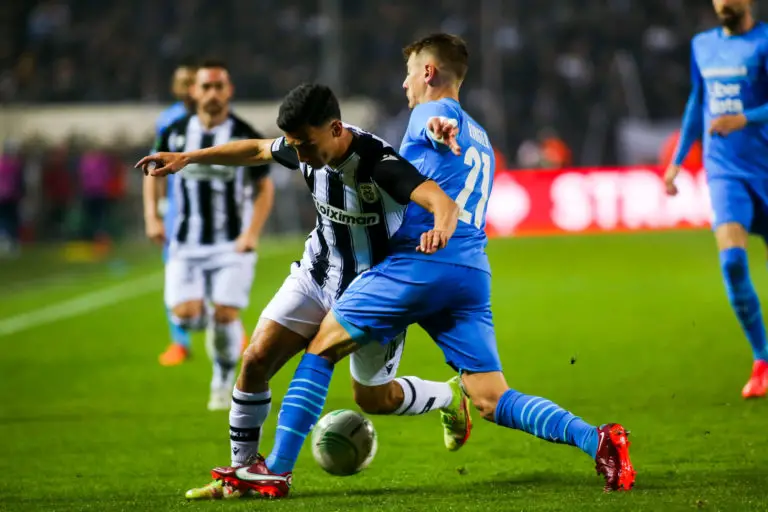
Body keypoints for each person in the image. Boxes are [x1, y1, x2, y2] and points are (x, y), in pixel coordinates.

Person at [198, 33, 636, 498]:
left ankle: (276, 471)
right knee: (491, 397)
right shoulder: (480, 136)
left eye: (409, 73)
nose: (405, 84)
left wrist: (436, 129)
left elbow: (435, 125)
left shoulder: (432, 111)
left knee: (322, 346)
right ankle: (598, 439)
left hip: (421, 261)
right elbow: (445, 145)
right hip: (470, 272)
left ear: (428, 72)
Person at [136, 82, 472, 500]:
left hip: (374, 291)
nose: (299, 156)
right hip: (316, 274)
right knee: (255, 360)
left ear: (336, 129)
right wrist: (188, 157)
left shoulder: (378, 164)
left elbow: (443, 203)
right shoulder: (304, 147)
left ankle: (447, 395)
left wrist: (440, 229)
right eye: (294, 146)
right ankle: (243, 473)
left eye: (306, 145)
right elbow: (257, 149)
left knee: (375, 399)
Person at [148, 59, 275, 410]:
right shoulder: (174, 131)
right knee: (187, 317)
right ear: (194, 91)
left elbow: (264, 188)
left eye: (220, 86)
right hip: (185, 242)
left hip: (231, 244)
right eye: (206, 86)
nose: (213, 93)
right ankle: (217, 322)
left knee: (224, 315)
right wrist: (152, 217)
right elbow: (151, 170)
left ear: (229, 90)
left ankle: (222, 378)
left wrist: (252, 233)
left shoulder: (244, 133)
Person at [665, 0, 768, 398]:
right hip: (725, 171)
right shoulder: (702, 45)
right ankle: (762, 360)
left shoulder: (763, 42)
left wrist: (746, 118)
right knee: (733, 262)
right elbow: (698, 101)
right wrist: (677, 160)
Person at [143, 58, 197, 366]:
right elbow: (154, 167)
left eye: (193, 82)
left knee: (223, 274)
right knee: (175, 279)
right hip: (179, 213)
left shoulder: (219, 118)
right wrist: (154, 215)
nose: (189, 88)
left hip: (217, 214)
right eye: (183, 82)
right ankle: (180, 342)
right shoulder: (168, 121)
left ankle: (231, 328)